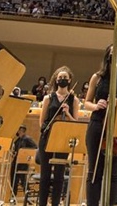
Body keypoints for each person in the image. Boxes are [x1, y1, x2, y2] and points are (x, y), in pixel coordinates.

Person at [85, 44, 117, 206]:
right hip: (97, 123)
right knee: (94, 171)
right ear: (107, 55)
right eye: (114, 52)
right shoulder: (97, 77)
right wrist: (96, 105)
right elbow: (86, 102)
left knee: (114, 173)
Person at [37, 66, 80, 206]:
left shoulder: (74, 100)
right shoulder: (48, 98)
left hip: (63, 140)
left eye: (65, 78)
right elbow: (41, 122)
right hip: (47, 138)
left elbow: (75, 124)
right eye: (60, 78)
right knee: (45, 175)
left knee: (59, 175)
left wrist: (67, 114)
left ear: (70, 80)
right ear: (56, 80)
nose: (62, 80)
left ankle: (55, 203)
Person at [10, 125, 38, 199]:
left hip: (23, 162)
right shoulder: (17, 140)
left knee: (23, 180)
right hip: (16, 162)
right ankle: (13, 196)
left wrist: (26, 154)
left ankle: (27, 197)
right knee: (13, 180)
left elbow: (35, 147)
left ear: (21, 130)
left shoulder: (27, 139)